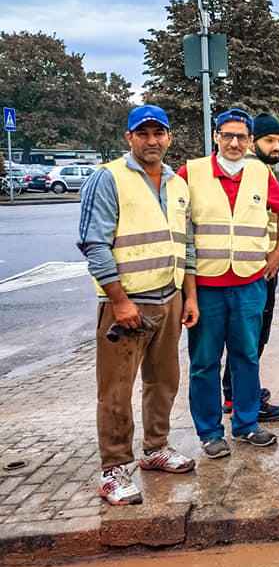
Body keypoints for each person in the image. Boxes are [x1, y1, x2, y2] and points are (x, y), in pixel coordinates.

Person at [78, 105, 198, 505]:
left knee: (163, 381)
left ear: (168, 136)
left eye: (158, 133)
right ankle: (113, 470)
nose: (151, 141)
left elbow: (187, 244)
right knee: (115, 390)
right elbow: (94, 244)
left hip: (169, 297)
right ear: (128, 137)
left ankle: (156, 449)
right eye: (142, 133)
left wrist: (189, 294)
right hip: (125, 307)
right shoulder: (108, 178)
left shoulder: (177, 183)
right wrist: (119, 300)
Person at [177, 108, 279, 458]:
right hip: (206, 286)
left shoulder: (260, 172)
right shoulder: (191, 172)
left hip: (249, 283)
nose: (234, 142)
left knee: (246, 357)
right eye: (227, 135)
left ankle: (245, 424)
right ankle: (210, 432)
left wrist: (278, 252)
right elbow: (180, 226)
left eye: (242, 136)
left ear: (249, 140)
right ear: (216, 136)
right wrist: (188, 291)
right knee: (204, 363)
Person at [221, 112, 279, 422]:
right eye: (270, 141)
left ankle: (236, 393)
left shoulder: (257, 170)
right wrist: (276, 254)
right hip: (252, 271)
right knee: (251, 338)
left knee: (248, 337)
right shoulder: (253, 170)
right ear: (252, 141)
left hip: (258, 267)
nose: (277, 147)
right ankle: (240, 398)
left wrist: (277, 252)